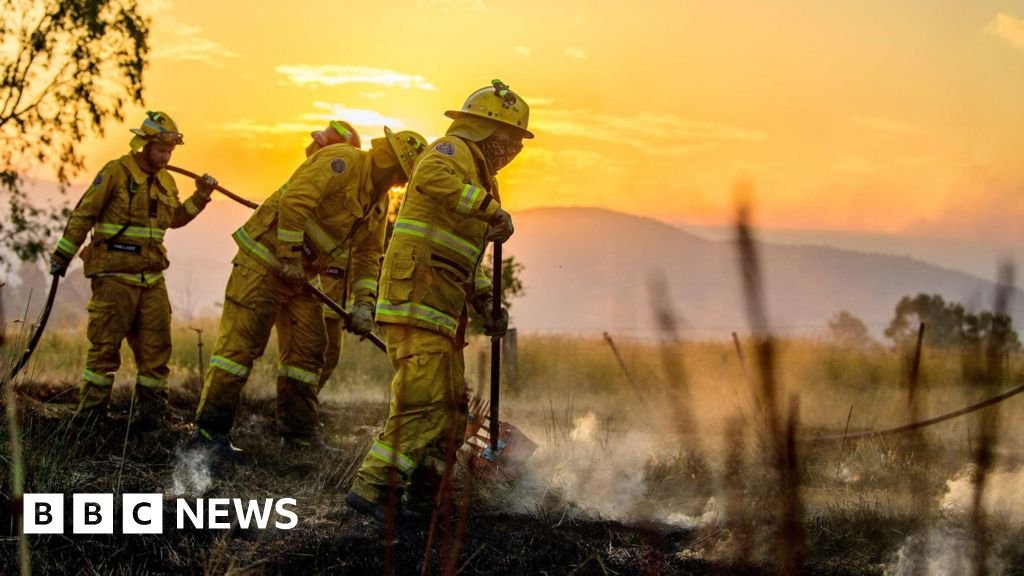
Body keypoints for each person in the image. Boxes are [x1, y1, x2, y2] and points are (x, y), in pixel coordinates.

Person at [346, 80, 532, 520]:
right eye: (506, 140)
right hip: (416, 299)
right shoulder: (451, 152)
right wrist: (489, 210)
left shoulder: (485, 179)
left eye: (516, 144)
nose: (510, 150)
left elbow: (467, 257)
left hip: (442, 308)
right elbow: (430, 177)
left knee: (451, 410)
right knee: (423, 403)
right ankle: (371, 490)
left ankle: (425, 498)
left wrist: (488, 303)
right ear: (482, 129)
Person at [191, 122, 427, 457]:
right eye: (403, 174)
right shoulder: (341, 162)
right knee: (240, 349)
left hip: (302, 276)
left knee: (309, 352)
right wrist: (288, 256)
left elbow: (368, 255)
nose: (402, 183)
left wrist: (363, 304)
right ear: (391, 163)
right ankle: (207, 434)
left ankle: (298, 437)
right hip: (264, 260)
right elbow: (295, 203)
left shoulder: (378, 202)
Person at [50, 110, 218, 420]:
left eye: (171, 150)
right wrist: (63, 254)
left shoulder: (166, 181)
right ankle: (90, 421)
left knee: (156, 354)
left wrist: (201, 197)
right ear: (144, 144)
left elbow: (175, 219)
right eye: (162, 149)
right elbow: (84, 214)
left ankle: (150, 421)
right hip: (114, 277)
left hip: (152, 279)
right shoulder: (116, 172)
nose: (167, 155)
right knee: (104, 351)